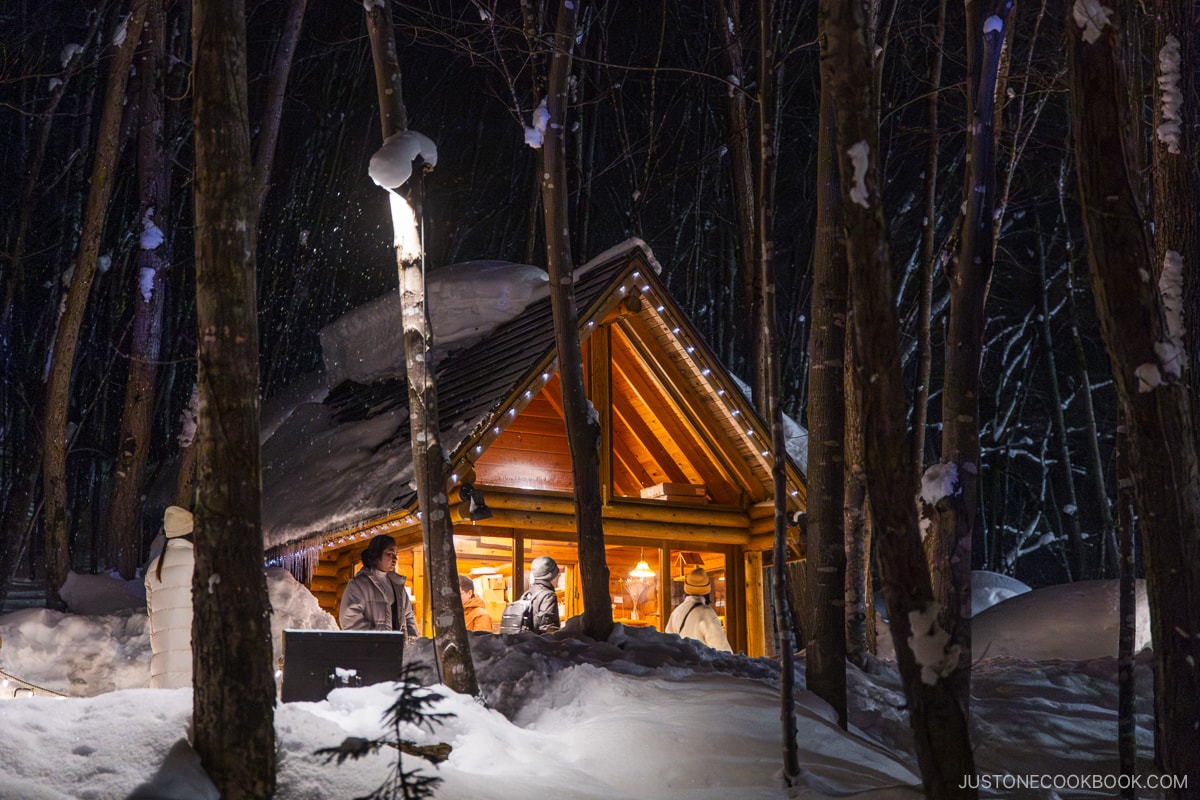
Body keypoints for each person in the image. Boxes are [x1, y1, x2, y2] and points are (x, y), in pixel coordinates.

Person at [144, 505, 196, 689]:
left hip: (162, 672)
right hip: (195, 670)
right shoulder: (202, 562)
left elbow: (153, 619)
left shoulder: (154, 568)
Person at [338, 534, 419, 636]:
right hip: (371, 650)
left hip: (399, 650)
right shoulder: (359, 585)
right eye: (389, 553)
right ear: (376, 555)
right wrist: (377, 640)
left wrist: (412, 643)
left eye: (396, 554)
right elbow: (349, 620)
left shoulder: (397, 585)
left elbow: (408, 616)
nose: (395, 558)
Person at [665, 567, 732, 652]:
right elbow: (722, 649)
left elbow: (668, 643)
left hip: (681, 664)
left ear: (686, 587)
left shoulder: (676, 613)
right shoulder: (707, 614)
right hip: (702, 664)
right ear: (708, 589)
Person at [526, 555, 561, 633]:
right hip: (537, 644)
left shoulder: (528, 593)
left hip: (524, 643)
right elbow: (548, 628)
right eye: (558, 573)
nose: (559, 575)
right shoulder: (548, 596)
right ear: (552, 576)